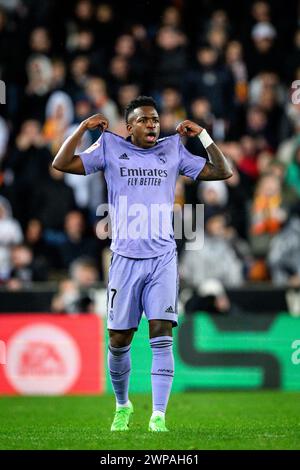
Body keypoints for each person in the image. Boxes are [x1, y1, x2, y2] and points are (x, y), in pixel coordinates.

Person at [52, 95, 232, 432]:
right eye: (145, 120)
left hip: (162, 258)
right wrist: (81, 129)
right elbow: (62, 163)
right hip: (124, 260)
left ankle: (158, 416)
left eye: (155, 119)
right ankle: (123, 405)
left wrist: (203, 136)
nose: (153, 124)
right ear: (129, 126)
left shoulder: (173, 149)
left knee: (161, 332)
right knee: (119, 339)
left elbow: (223, 171)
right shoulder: (109, 148)